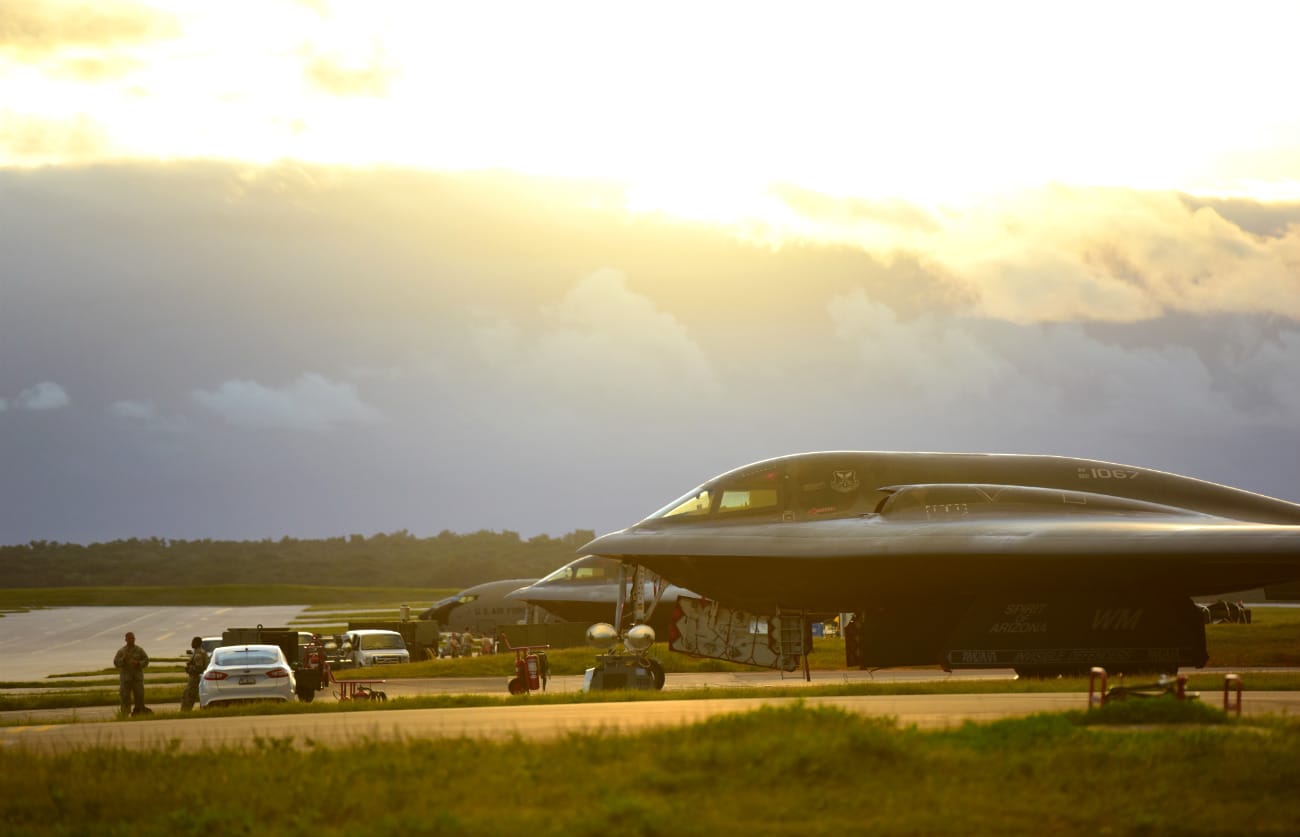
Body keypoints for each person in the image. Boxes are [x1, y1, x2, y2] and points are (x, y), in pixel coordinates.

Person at [113, 631, 150, 717]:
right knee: (125, 697)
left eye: (133, 638)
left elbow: (146, 660)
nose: (131, 640)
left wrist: (138, 663)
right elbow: (116, 663)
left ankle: (138, 714)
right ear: (125, 640)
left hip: (137, 679)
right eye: (129, 638)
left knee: (139, 697)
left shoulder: (139, 650)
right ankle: (125, 715)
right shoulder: (121, 651)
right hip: (126, 680)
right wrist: (123, 659)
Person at [180, 635, 209, 711]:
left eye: (193, 642)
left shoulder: (198, 654)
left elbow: (199, 668)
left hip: (195, 678)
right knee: (187, 694)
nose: (191, 643)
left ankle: (186, 710)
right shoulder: (198, 652)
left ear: (197, 643)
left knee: (189, 695)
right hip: (196, 678)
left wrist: (189, 669)